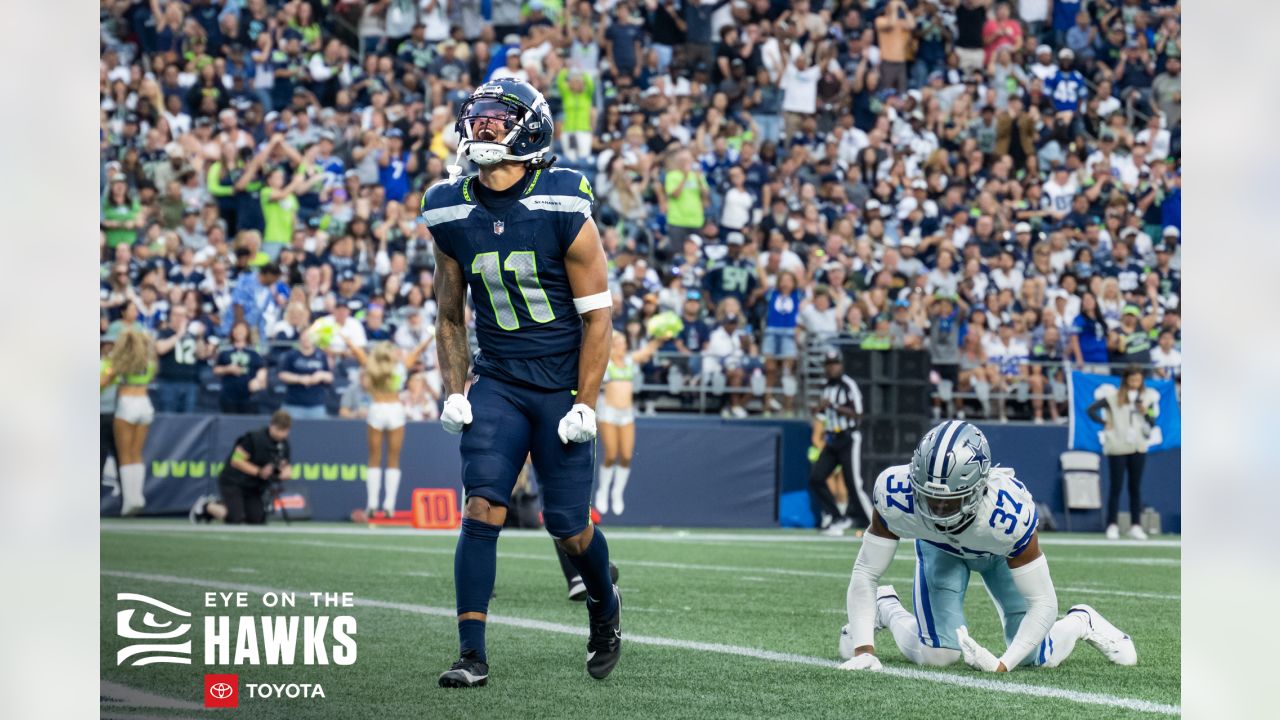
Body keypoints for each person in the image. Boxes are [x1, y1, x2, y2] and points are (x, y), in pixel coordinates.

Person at [422, 78, 620, 687]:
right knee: (481, 505)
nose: (481, 128)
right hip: (500, 379)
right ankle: (471, 652)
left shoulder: (564, 199)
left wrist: (586, 402)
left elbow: (598, 316)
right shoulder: (449, 206)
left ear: (528, 128)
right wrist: (455, 387)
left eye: (495, 119)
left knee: (569, 524)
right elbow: (450, 313)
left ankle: (605, 610)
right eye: (475, 118)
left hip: (560, 385)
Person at [836, 421, 1138, 674]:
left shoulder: (1007, 514)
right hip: (939, 548)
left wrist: (1002, 665)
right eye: (928, 497)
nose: (938, 509)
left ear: (979, 486)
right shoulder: (894, 492)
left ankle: (1081, 621)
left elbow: (1043, 604)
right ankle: (886, 607)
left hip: (996, 555)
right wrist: (863, 650)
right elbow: (866, 570)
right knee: (937, 656)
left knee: (1037, 658)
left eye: (950, 500)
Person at [343, 332, 433, 518]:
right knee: (393, 458)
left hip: (377, 410)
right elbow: (418, 351)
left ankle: (372, 504)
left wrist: (346, 338)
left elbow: (356, 351)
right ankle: (389, 505)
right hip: (394, 410)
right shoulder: (399, 367)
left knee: (374, 457)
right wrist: (430, 337)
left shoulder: (372, 367)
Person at [1087, 367, 1160, 541]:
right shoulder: (1113, 397)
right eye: (1133, 379)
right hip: (1118, 446)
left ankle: (1136, 525)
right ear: (1126, 380)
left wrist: (1145, 412)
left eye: (1139, 380)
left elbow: (1152, 419)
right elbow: (1091, 410)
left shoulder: (1147, 397)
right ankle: (1112, 524)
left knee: (1135, 487)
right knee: (1116, 487)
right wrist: (1105, 422)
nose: (1136, 383)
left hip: (1138, 446)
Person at [594, 331, 660, 516]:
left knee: (626, 456)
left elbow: (647, 351)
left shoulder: (630, 361)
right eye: (620, 342)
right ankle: (603, 490)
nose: (624, 345)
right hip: (608, 412)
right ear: (613, 345)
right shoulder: (606, 363)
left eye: (624, 342)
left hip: (626, 414)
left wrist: (660, 337)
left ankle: (617, 493)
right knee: (611, 454)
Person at [191, 410, 294, 525]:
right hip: (233, 481)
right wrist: (259, 472)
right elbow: (236, 460)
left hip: (254, 487)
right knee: (234, 518)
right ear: (271, 425)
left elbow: (286, 466)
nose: (281, 434)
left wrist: (285, 473)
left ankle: (224, 505)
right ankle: (206, 506)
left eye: (285, 431)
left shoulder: (283, 445)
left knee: (257, 520)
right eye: (279, 430)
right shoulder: (253, 438)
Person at [809, 350, 868, 537]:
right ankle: (837, 517)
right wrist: (818, 409)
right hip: (831, 439)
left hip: (848, 438)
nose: (832, 367)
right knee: (816, 478)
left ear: (841, 365)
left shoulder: (848, 385)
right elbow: (821, 415)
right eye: (829, 364)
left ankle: (873, 522)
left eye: (835, 364)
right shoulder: (826, 387)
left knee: (853, 483)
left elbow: (858, 413)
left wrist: (833, 406)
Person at [100, 327, 156, 515]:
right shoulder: (149, 362)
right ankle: (138, 496)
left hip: (127, 403)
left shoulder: (121, 362)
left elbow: (104, 381)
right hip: (145, 403)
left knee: (124, 454)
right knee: (137, 453)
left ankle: (129, 502)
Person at [153, 305, 213, 413]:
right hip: (168, 382)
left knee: (188, 420)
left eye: (182, 315)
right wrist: (179, 334)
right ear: (170, 316)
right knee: (167, 419)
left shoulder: (192, 334)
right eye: (175, 314)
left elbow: (201, 355)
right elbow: (160, 349)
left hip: (190, 382)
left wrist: (200, 337)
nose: (178, 318)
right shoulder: (164, 332)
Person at [213, 320, 267, 414]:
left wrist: (259, 380)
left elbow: (261, 368)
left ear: (247, 332)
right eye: (237, 329)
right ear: (232, 332)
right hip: (229, 394)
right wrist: (227, 369)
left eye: (242, 329)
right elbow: (216, 370)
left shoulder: (253, 351)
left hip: (249, 395)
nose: (239, 332)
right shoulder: (225, 350)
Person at [277, 330, 334, 419]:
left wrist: (321, 375)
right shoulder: (291, 355)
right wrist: (299, 379)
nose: (307, 339)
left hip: (316, 404)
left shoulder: (321, 356)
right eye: (304, 336)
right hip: (293, 403)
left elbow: (330, 377)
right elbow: (282, 375)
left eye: (310, 336)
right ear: (300, 338)